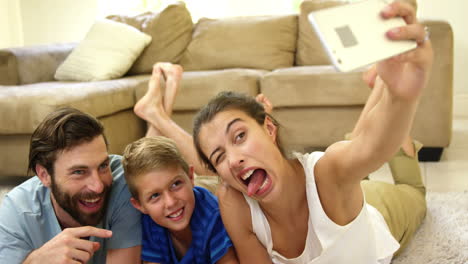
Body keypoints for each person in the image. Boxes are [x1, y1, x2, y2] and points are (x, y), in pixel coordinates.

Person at [134, 1, 432, 263]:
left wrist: (401, 97)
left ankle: (391, 109)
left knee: (412, 195)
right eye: (220, 156)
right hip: (340, 193)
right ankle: (380, 88)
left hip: (374, 210)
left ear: (269, 127)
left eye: (240, 136)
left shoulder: (328, 172)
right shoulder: (234, 203)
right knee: (354, 163)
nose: (235, 159)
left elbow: (371, 147)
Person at [0, 108, 142, 264]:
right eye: (79, 172)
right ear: (44, 175)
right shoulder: (17, 211)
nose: (98, 186)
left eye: (103, 166)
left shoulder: (122, 183)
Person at [121, 136, 238, 264]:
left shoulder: (213, 216)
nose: (171, 202)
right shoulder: (149, 223)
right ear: (139, 205)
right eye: (155, 196)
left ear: (190, 176)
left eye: (176, 184)